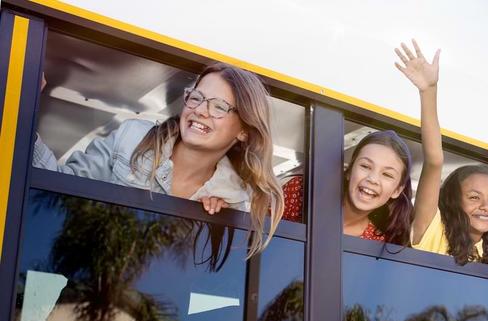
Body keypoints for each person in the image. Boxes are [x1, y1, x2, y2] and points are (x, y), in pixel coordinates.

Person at [33, 63, 284, 256]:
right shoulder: (131, 138)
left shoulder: (234, 201)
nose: (200, 110)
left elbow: (199, 278)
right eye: (196, 98)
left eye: (219, 107)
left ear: (243, 131)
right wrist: (25, 106)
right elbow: (58, 192)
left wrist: (213, 225)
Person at [337, 39, 443, 246]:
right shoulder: (300, 193)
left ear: (397, 190)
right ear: (349, 170)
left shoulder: (380, 241)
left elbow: (435, 161)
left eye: (387, 175)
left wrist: (428, 90)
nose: (373, 179)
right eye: (366, 166)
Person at [413, 164, 488, 277]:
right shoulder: (434, 231)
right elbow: (433, 163)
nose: (486, 206)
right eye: (474, 197)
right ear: (453, 200)